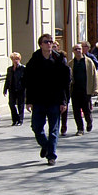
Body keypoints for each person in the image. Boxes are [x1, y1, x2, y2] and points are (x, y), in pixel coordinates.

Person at [23, 34, 71, 166]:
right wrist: (29, 100)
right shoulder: (34, 60)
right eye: (46, 42)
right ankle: (46, 146)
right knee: (36, 127)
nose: (49, 44)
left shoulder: (59, 59)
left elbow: (65, 82)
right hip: (39, 100)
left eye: (51, 42)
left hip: (55, 100)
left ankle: (51, 156)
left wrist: (64, 101)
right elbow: (29, 82)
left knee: (54, 129)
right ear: (41, 45)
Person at [69, 44, 98, 135]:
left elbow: (95, 76)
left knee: (86, 109)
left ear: (82, 50)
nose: (77, 50)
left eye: (79, 49)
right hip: (75, 90)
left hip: (86, 90)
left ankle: (89, 121)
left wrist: (96, 89)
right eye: (75, 49)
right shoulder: (71, 63)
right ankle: (80, 129)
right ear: (73, 51)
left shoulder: (89, 62)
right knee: (76, 111)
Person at [3, 52, 26, 126]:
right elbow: (7, 79)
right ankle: (15, 119)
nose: (15, 61)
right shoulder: (9, 69)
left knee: (20, 105)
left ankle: (20, 120)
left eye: (17, 59)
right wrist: (5, 89)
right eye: (13, 59)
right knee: (11, 104)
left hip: (20, 89)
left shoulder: (23, 68)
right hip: (12, 89)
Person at [53, 41, 70, 136]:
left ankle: (63, 126)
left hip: (63, 90)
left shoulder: (61, 59)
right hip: (53, 92)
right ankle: (55, 128)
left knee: (63, 110)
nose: (53, 48)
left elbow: (66, 76)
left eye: (55, 46)